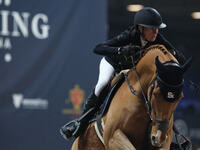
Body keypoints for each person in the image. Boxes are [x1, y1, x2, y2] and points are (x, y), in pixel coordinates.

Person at [60, 7, 186, 140]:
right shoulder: (129, 35)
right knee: (102, 84)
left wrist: (172, 53)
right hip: (114, 65)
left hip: (134, 71)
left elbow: (181, 58)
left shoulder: (157, 38)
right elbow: (98, 48)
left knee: (158, 95)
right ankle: (81, 122)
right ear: (141, 28)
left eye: (157, 28)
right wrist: (120, 50)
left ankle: (173, 135)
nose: (156, 31)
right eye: (152, 28)